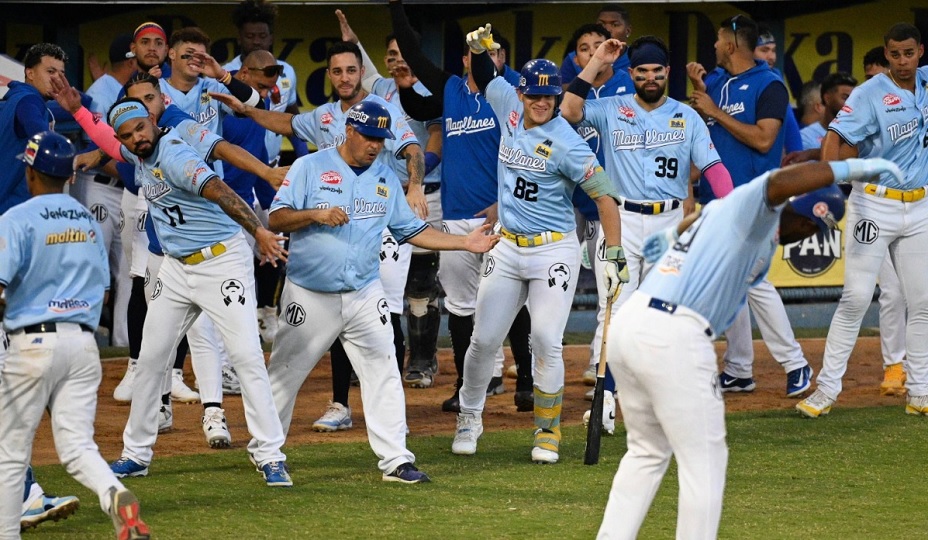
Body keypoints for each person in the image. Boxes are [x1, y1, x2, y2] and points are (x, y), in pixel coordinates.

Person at [596, 157, 898, 539]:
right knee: (705, 461)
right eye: (810, 222)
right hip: (674, 333)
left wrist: (672, 238)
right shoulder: (755, 206)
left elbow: (695, 224)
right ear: (799, 209)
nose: (808, 232)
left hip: (634, 323)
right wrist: (851, 169)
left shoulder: (738, 219)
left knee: (647, 452)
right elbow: (778, 183)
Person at [251, 100, 499, 483]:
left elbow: (411, 230)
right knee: (285, 374)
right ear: (349, 131)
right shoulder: (309, 167)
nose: (374, 145)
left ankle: (396, 460)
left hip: (364, 292)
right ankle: (268, 453)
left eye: (380, 139)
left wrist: (463, 243)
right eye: (368, 136)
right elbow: (277, 218)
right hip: (310, 293)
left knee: (384, 370)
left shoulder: (383, 177)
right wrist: (315, 214)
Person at [82, 97, 292, 486]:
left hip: (220, 262)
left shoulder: (175, 153)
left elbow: (220, 190)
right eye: (127, 135)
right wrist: (83, 126)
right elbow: (109, 143)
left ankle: (270, 454)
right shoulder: (137, 151)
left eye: (140, 128)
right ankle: (136, 454)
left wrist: (259, 231)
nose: (136, 138)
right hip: (177, 269)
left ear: (152, 119)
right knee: (150, 359)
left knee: (246, 356)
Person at [451, 25, 624, 465]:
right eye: (534, 95)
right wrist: (478, 49)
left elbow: (605, 197)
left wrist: (614, 253)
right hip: (507, 245)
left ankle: (547, 431)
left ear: (556, 95)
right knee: (483, 340)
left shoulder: (568, 142)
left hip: (553, 250)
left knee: (546, 339)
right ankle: (469, 417)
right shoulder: (508, 105)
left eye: (549, 95)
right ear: (522, 93)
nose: (541, 102)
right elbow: (486, 76)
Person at [560, 35, 733, 432]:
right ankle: (606, 399)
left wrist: (733, 205)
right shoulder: (610, 108)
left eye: (657, 71)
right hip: (620, 221)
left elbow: (713, 167)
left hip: (668, 222)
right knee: (616, 312)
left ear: (667, 72)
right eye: (642, 72)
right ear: (632, 73)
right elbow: (569, 109)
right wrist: (598, 60)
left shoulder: (686, 116)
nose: (650, 78)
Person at [0, 131, 151, 539]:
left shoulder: (16, 219)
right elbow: (103, 290)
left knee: (10, 453)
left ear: (31, 173)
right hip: (82, 346)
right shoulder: (86, 221)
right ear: (68, 175)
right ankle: (113, 493)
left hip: (33, 344)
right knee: (77, 446)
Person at [388, 0, 536, 412]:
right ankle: (469, 385)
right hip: (455, 216)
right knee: (460, 305)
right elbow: (414, 63)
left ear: (502, 60)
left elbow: (531, 156)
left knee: (514, 300)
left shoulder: (512, 96)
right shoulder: (451, 89)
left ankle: (526, 379)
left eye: (494, 53)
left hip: (501, 215)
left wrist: (503, 203)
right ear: (466, 58)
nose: (487, 59)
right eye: (479, 53)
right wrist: (395, 7)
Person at [796, 23, 928, 418]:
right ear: (886, 54)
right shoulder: (869, 93)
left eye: (909, 53)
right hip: (874, 203)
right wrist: (827, 184)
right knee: (855, 297)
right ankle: (826, 390)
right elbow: (834, 136)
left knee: (922, 302)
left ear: (920, 52)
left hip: (920, 206)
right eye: (895, 54)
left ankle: (920, 392)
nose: (902, 61)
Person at [687, 14, 813, 397]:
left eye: (717, 40)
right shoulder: (716, 82)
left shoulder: (769, 84)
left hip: (755, 199)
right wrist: (702, 94)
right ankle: (739, 369)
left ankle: (796, 364)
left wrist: (714, 111)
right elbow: (709, 139)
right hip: (718, 201)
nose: (713, 46)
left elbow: (763, 139)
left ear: (730, 45)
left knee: (753, 281)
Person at [337, 10, 447, 393]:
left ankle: (422, 360)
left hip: (424, 194)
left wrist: (416, 176)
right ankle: (377, 358)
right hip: (383, 200)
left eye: (404, 53)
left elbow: (436, 139)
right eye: (391, 55)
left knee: (420, 283)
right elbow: (364, 67)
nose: (397, 60)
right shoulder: (382, 88)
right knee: (378, 282)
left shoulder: (430, 88)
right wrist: (352, 40)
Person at [0, 41, 84, 532]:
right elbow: (43, 143)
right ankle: (25, 493)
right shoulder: (27, 101)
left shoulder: (19, 100)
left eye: (61, 70)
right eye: (49, 70)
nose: (56, 78)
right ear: (28, 71)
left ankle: (24, 490)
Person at [225, 0, 309, 344]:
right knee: (244, 248)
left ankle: (267, 311)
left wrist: (304, 160)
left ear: (271, 37)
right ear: (240, 37)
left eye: (262, 35)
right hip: (236, 172)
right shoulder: (229, 75)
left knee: (274, 241)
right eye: (250, 36)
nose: (256, 41)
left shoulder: (285, 72)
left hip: (270, 167)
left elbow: (292, 114)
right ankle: (243, 320)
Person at [562, 23, 633, 396]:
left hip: (609, 205)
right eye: (584, 48)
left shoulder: (628, 86)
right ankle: (541, 356)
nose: (592, 52)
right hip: (569, 201)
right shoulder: (571, 92)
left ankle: (598, 362)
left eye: (597, 45)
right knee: (552, 281)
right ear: (576, 58)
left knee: (610, 286)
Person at [71, 34, 137, 350]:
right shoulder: (102, 92)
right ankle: (83, 341)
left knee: (128, 271)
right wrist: (136, 174)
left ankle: (124, 345)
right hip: (97, 187)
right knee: (93, 266)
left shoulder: (120, 89)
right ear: (132, 62)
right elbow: (95, 151)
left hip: (123, 192)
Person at [753, 24, 803, 153]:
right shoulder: (723, 78)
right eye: (764, 50)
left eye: (773, 50)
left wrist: (796, 154)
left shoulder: (774, 77)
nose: (772, 57)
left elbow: (789, 122)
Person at [559, 4, 632, 88]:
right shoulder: (572, 59)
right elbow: (562, 91)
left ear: (628, 31)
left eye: (615, 25)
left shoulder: (635, 57)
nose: (607, 29)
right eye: (601, 24)